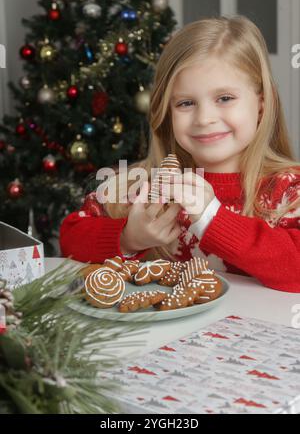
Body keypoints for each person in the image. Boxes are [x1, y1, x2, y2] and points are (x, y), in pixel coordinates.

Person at [60, 16, 300, 292]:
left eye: (224, 98)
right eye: (186, 103)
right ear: (167, 111)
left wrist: (214, 219)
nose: (205, 118)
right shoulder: (142, 187)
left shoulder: (287, 191)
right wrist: (128, 237)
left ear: (261, 104)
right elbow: (71, 239)